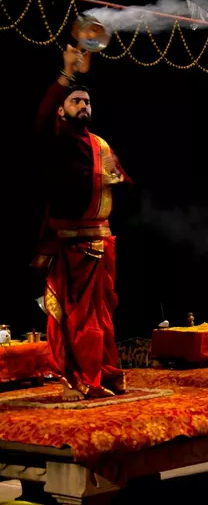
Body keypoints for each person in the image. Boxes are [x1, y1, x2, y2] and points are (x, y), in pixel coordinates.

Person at [34, 45, 128, 400]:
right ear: (62, 109)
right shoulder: (56, 141)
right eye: (76, 102)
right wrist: (66, 74)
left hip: (101, 244)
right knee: (77, 319)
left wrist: (114, 180)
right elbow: (43, 115)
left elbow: (118, 186)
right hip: (71, 246)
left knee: (101, 317)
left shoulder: (99, 144)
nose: (83, 107)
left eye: (86, 103)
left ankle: (102, 373)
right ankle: (77, 378)